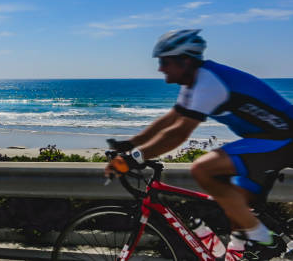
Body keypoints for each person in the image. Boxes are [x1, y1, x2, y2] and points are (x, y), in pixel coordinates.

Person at [106, 29, 292, 260]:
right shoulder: (193, 83)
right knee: (236, 207)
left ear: (185, 61)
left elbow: (178, 134)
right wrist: (131, 143)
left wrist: (133, 159)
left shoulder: (208, 82)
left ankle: (266, 239)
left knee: (203, 169)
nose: (160, 68)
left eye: (165, 61)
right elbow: (170, 119)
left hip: (282, 139)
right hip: (266, 140)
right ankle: (253, 243)